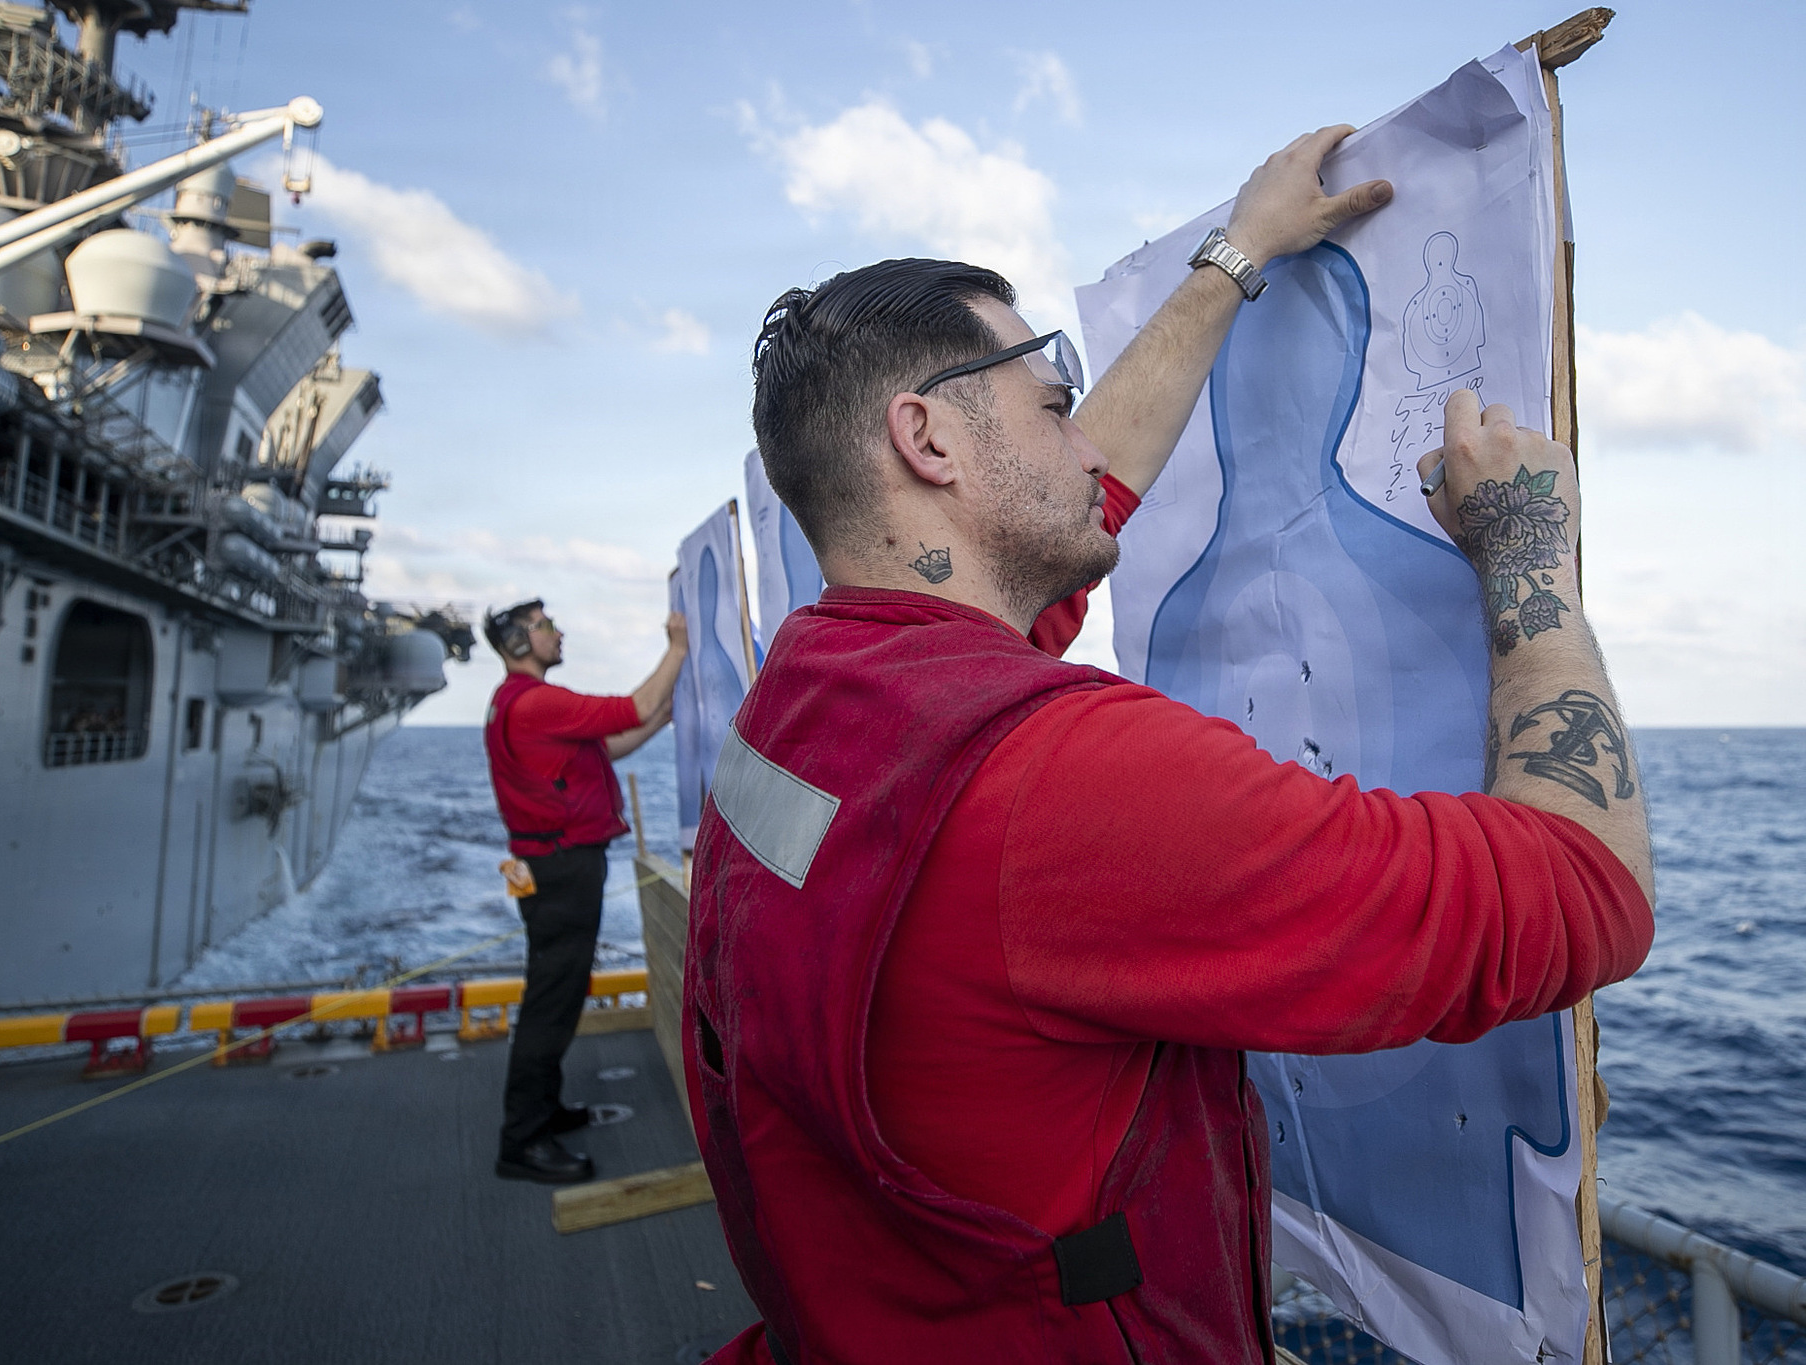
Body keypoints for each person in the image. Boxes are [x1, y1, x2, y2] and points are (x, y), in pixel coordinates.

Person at [686, 125, 1655, 1363]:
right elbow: (1585, 892)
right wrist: (1527, 551)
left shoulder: (811, 701)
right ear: (927, 442)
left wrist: (1234, 256)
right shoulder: (1059, 784)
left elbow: (1070, 508)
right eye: (1051, 409)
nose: (1088, 444)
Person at [482, 598, 687, 1184]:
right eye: (546, 626)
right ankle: (521, 1142)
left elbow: (611, 743)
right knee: (552, 1002)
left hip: (548, 867)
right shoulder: (539, 701)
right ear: (521, 643)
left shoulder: (514, 704)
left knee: (557, 992)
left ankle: (542, 1112)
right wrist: (676, 649)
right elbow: (633, 705)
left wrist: (661, 719)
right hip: (563, 869)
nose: (557, 632)